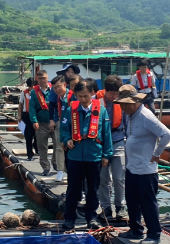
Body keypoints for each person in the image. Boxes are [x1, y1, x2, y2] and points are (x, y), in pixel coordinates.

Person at [116, 85, 170, 244]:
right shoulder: (130, 116)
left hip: (146, 169)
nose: (122, 107)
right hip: (132, 166)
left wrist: (157, 154)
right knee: (132, 199)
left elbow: (166, 134)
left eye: (124, 104)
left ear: (133, 102)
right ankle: (135, 228)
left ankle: (154, 233)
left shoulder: (146, 115)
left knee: (147, 202)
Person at [60, 80, 113, 230]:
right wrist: (67, 139)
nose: (83, 99)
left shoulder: (101, 111)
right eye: (79, 96)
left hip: (94, 155)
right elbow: (64, 129)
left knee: (93, 189)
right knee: (73, 189)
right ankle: (70, 217)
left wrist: (106, 155)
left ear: (92, 93)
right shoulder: (71, 110)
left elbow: (106, 133)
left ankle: (92, 217)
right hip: (75, 156)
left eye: (85, 96)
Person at [97, 75, 128, 221]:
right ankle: (106, 208)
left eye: (117, 93)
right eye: (112, 93)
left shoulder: (122, 103)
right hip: (101, 145)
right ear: (105, 91)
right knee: (103, 179)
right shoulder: (96, 102)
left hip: (118, 142)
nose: (114, 96)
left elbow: (127, 124)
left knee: (119, 177)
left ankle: (120, 207)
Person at [30, 70, 64, 177]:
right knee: (42, 146)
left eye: (44, 78)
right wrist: (34, 121)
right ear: (37, 79)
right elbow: (31, 108)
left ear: (47, 78)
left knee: (57, 144)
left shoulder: (53, 89)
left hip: (54, 121)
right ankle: (45, 166)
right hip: (41, 122)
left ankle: (55, 162)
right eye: (40, 78)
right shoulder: (34, 92)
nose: (42, 80)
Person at [50, 74, 74, 182]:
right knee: (59, 147)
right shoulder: (59, 98)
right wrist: (54, 120)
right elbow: (54, 108)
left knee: (70, 148)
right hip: (60, 123)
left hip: (72, 125)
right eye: (54, 88)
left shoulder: (72, 96)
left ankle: (70, 172)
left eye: (59, 86)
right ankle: (60, 170)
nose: (57, 90)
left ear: (65, 85)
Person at [50, 64, 81, 128]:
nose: (70, 74)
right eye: (68, 71)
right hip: (60, 119)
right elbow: (51, 104)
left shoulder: (76, 87)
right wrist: (51, 120)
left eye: (72, 72)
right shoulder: (56, 86)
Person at [18, 77, 38, 161]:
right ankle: (29, 154)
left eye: (32, 86)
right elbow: (21, 104)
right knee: (28, 136)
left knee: (37, 135)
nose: (31, 88)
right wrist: (19, 116)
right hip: (27, 115)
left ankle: (36, 148)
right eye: (30, 86)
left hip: (36, 116)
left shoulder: (38, 93)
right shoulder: (24, 93)